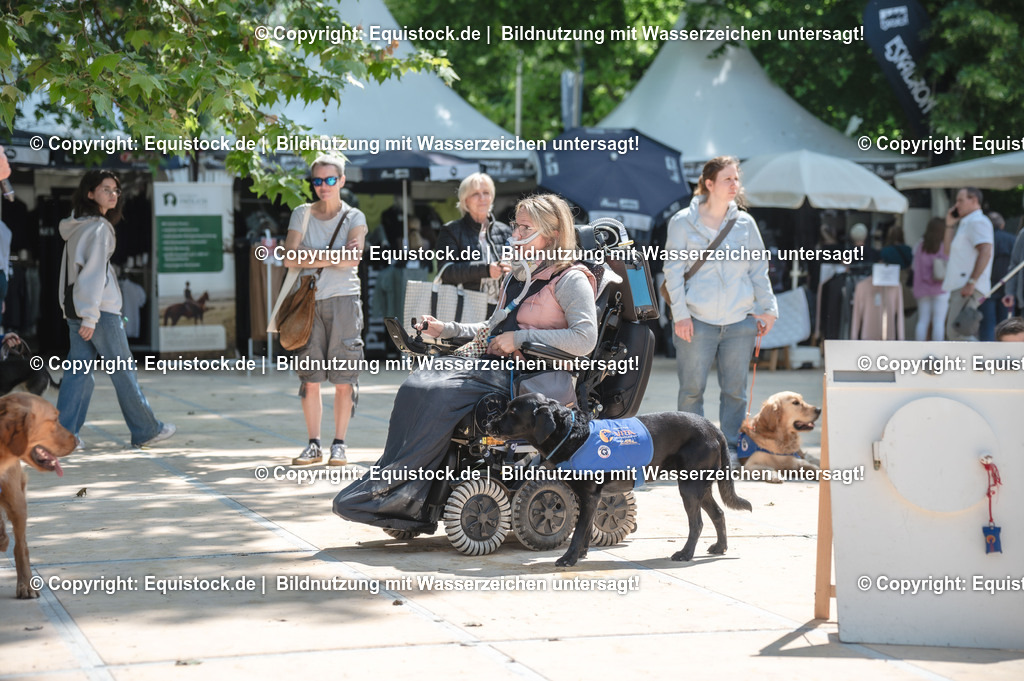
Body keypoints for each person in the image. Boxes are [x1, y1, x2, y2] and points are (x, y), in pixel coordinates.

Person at [333, 194, 598, 532]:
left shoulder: (571, 279)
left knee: (437, 392)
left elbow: (584, 340)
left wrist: (519, 340)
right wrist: (446, 328)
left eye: (524, 227)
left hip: (534, 377)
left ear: (552, 232)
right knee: (419, 382)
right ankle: (402, 486)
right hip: (498, 367)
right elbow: (492, 327)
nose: (514, 233)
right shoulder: (519, 276)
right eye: (516, 225)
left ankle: (405, 494)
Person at [663, 156, 778, 462]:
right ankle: (691, 452)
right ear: (709, 183)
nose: (734, 185)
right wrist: (681, 315)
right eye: (728, 179)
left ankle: (728, 452)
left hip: (739, 322)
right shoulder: (682, 223)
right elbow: (672, 272)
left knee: (735, 392)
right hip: (695, 321)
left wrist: (768, 308)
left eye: (736, 179)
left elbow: (758, 269)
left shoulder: (745, 223)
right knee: (691, 391)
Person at [57, 170, 175, 448]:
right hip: (99, 312)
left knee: (78, 372)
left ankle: (63, 435)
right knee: (122, 369)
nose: (113, 194)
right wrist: (90, 315)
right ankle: (146, 429)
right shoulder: (98, 228)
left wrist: (77, 312)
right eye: (105, 189)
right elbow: (94, 274)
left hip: (80, 310)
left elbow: (70, 273)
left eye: (116, 190)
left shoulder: (77, 226)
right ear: (90, 193)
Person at [285, 155, 367, 467]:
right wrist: (334, 255)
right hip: (307, 303)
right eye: (318, 180)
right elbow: (289, 259)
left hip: (345, 299)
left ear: (342, 181)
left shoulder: (354, 216)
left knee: (345, 378)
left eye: (330, 180)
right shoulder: (301, 214)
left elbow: (353, 260)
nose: (323, 186)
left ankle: (339, 444)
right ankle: (313, 444)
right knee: (310, 377)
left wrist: (311, 255)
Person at [434, 172, 513, 310]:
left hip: (501, 309)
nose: (482, 198)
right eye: (475, 194)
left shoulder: (505, 231)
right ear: (465, 201)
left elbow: (519, 268)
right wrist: (486, 269)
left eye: (486, 192)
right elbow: (446, 272)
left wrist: (511, 269)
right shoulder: (450, 231)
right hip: (465, 309)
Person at [943, 187, 994, 341]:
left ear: (974, 200)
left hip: (967, 286)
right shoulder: (967, 223)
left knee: (957, 331)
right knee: (957, 331)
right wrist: (949, 225)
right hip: (961, 285)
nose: (956, 205)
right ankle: (975, 362)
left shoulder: (978, 221)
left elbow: (986, 250)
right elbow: (947, 250)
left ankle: (979, 362)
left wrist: (972, 282)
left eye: (960, 200)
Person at [912, 218, 950, 341]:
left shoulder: (920, 246)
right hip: (940, 287)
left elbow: (914, 266)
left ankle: (919, 349)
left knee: (922, 320)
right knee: (939, 322)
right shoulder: (944, 246)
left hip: (922, 287)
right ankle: (937, 351)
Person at [989, 212, 1014, 323]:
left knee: (988, 324)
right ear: (1002, 224)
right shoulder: (1013, 239)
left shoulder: (985, 241)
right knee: (1007, 324)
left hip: (989, 286)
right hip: (1008, 285)